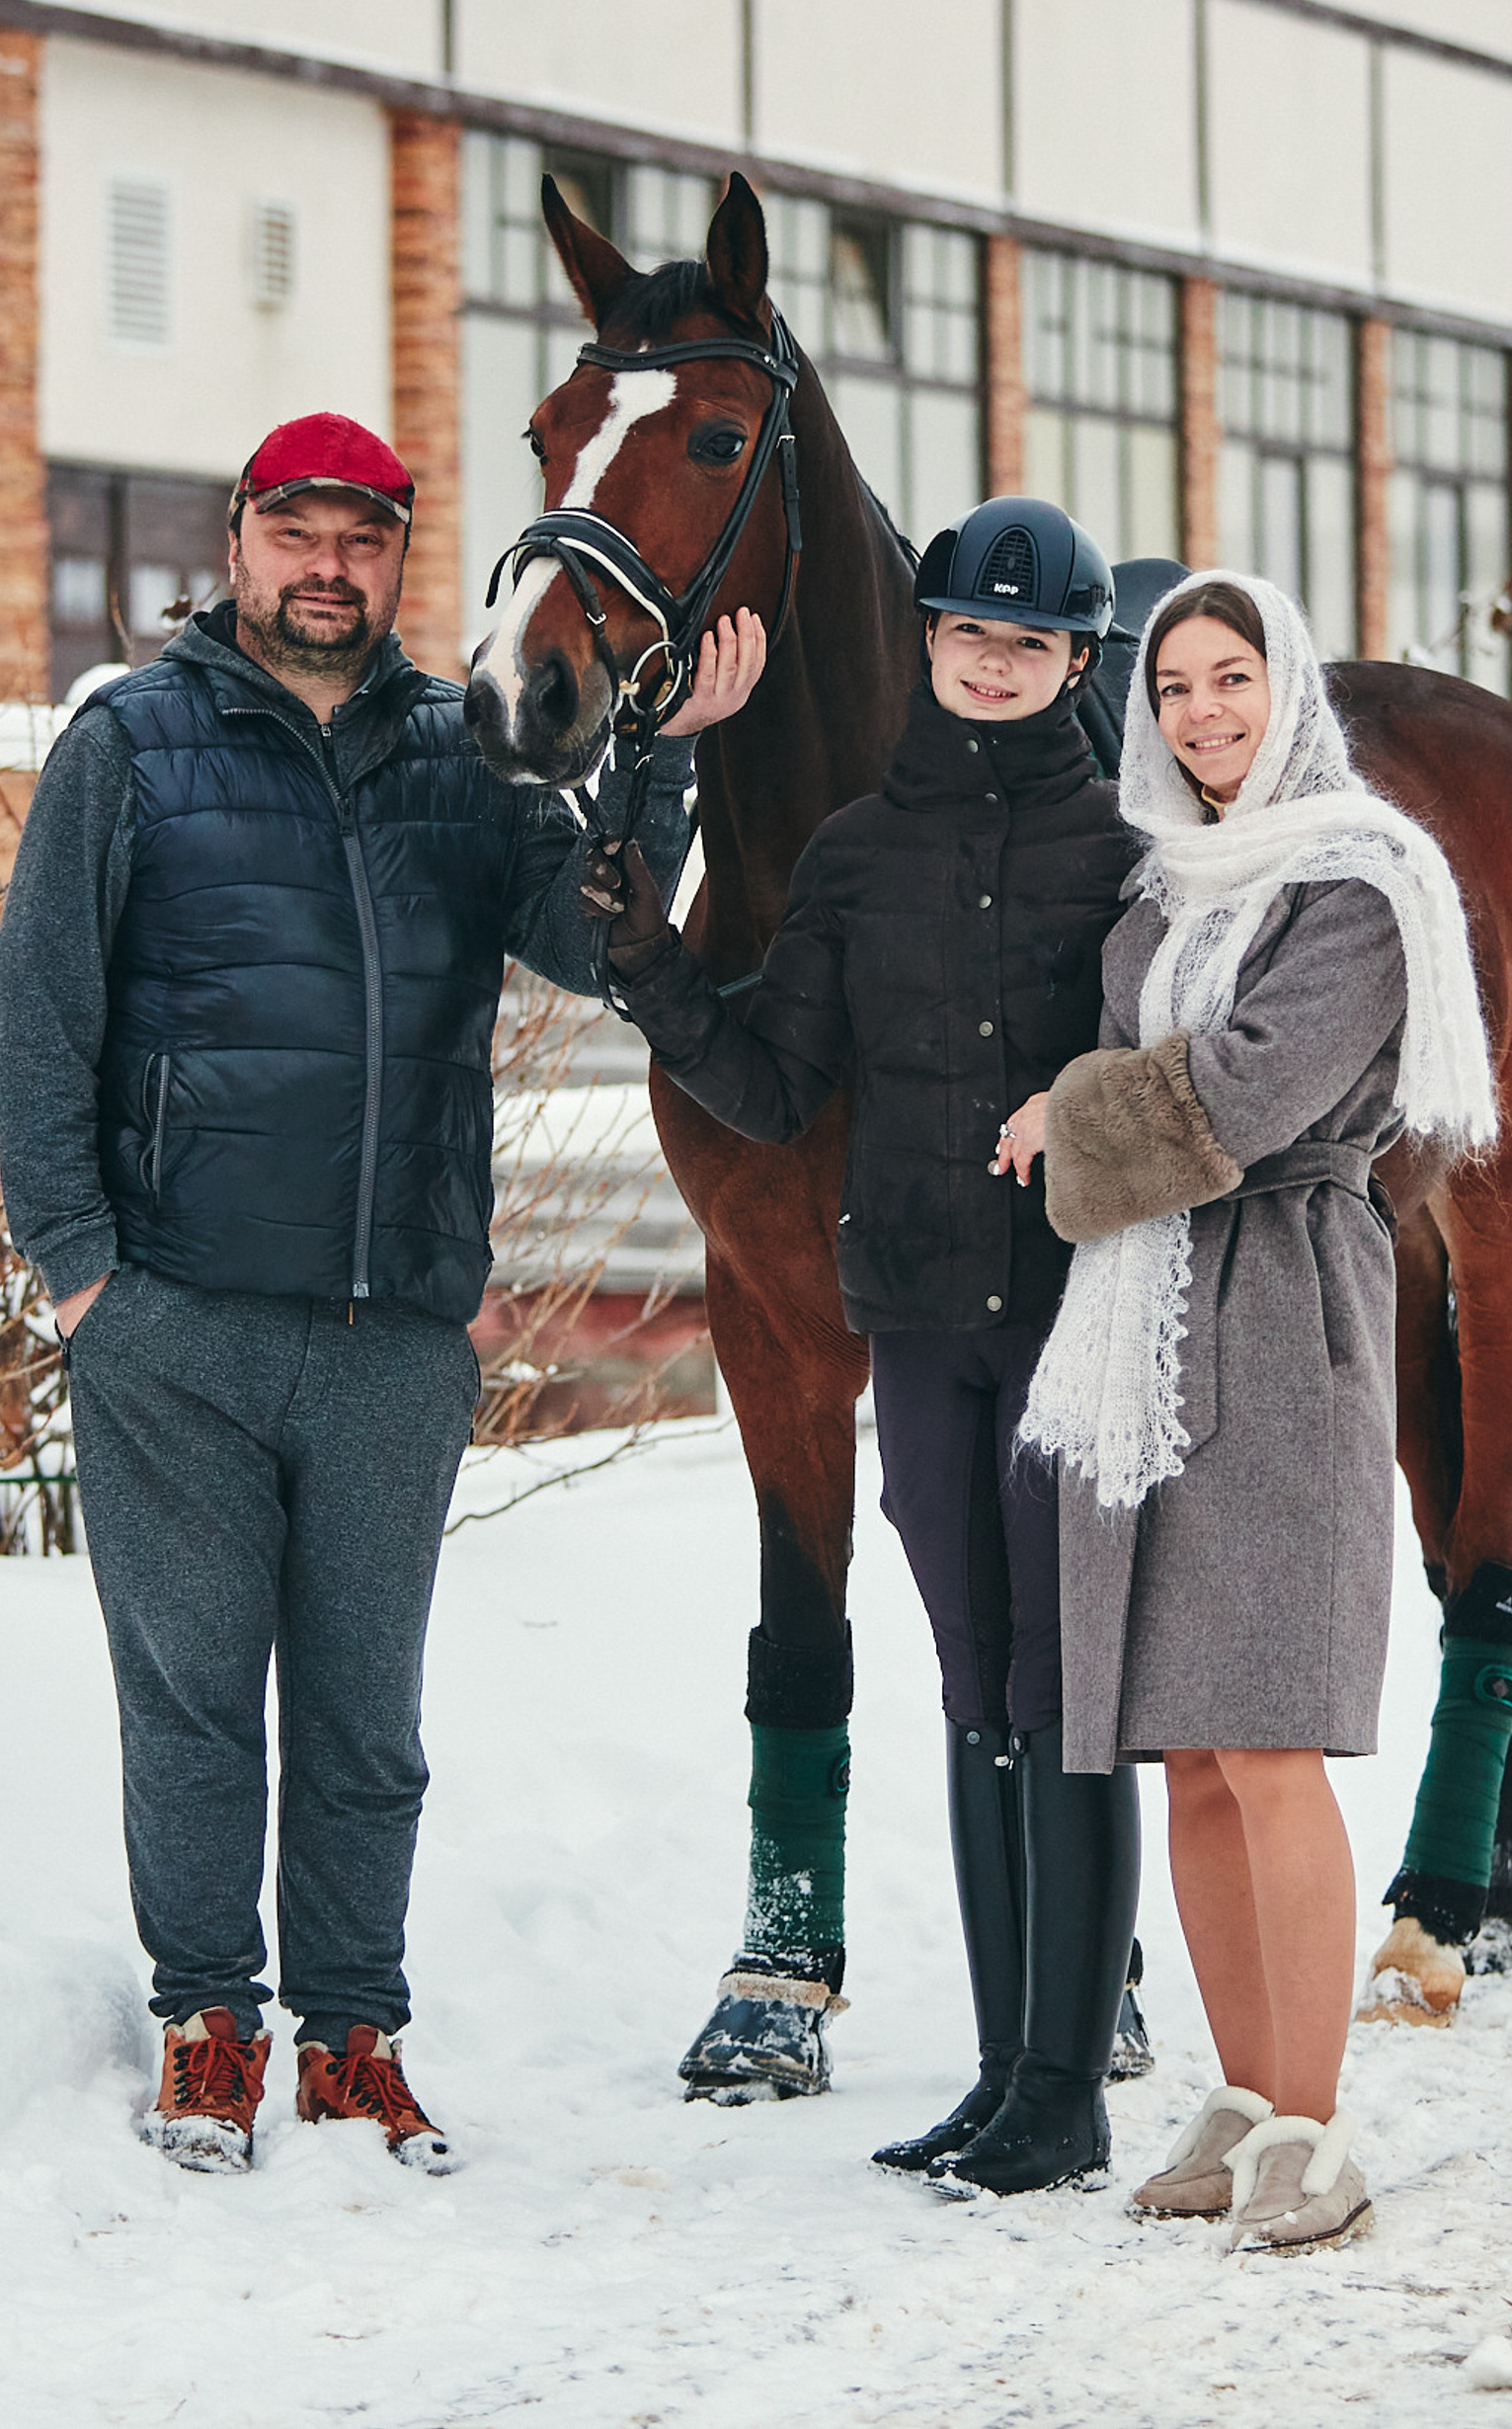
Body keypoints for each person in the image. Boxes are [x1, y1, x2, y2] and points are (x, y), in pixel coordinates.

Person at [0, 411, 761, 2176]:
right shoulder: (132, 742)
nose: (328, 568)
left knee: (364, 1713)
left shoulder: (454, 753)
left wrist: (660, 755)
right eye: (298, 534)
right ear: (241, 540)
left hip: (396, 1326)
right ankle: (207, 2025)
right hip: (171, 1319)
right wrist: (82, 1278)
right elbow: (36, 1028)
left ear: (401, 559)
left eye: (364, 539)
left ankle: (352, 2035)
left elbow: (589, 936)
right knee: (189, 1700)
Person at [582, 494, 1146, 2197]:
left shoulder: (1128, 863)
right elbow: (768, 1087)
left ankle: (1070, 2082)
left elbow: (1197, 1083)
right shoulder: (853, 860)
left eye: (1029, 643)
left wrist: (1091, 1114)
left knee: (1065, 1702)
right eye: (970, 635)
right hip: (918, 1325)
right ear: (928, 644)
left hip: (1070, 1327)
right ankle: (998, 2072)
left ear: (1070, 663)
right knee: (978, 1694)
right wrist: (655, 970)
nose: (993, 664)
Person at [1007, 570, 1496, 2251]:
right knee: (1195, 1750)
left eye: (1232, 679)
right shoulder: (1165, 890)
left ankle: (1320, 2127)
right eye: (1173, 688)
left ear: (1288, 687)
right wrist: (1096, 1118)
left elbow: (1253, 1087)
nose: (1202, 714)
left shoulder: (1357, 878)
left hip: (1283, 1306)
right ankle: (1243, 2095)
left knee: (1272, 1735)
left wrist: (1059, 1120)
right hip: (1144, 1319)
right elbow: (1146, 1072)